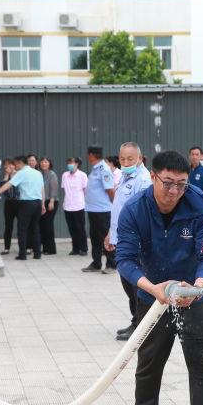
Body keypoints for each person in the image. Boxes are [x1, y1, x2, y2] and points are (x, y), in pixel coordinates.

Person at [115, 150, 203, 405]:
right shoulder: (134, 209)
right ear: (153, 176)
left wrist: (198, 285)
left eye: (181, 184)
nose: (174, 191)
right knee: (148, 362)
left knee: (199, 364)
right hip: (153, 298)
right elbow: (125, 260)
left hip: (194, 297)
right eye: (168, 183)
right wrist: (153, 289)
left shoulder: (199, 205)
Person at [104, 142, 152, 341]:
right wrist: (111, 234)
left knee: (136, 285)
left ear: (139, 158)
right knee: (128, 284)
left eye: (130, 159)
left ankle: (142, 326)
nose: (125, 162)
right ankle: (136, 320)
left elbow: (142, 213)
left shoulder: (143, 180)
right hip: (122, 239)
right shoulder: (124, 177)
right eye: (122, 159)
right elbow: (118, 210)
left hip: (135, 242)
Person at [0, 156, 45, 260]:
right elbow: (42, 189)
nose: (15, 166)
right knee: (35, 229)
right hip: (37, 203)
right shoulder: (38, 173)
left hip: (26, 203)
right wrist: (42, 204)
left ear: (20, 163)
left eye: (15, 164)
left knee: (22, 230)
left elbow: (8, 185)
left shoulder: (21, 173)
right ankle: (37, 254)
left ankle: (22, 254)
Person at [83, 145, 117, 273]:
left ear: (92, 155)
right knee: (95, 238)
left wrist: (115, 206)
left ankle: (111, 264)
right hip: (93, 210)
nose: (87, 157)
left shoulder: (104, 169)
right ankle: (96, 263)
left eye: (88, 154)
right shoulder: (96, 169)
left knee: (106, 237)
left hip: (103, 210)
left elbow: (110, 189)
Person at [61, 157, 88, 256]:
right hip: (68, 205)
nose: (70, 165)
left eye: (72, 163)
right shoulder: (65, 175)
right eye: (68, 163)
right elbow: (65, 189)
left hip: (79, 205)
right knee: (71, 228)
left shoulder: (82, 175)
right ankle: (75, 248)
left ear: (77, 164)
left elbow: (86, 191)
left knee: (80, 228)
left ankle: (83, 248)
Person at [39, 157, 59, 255]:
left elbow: (54, 189)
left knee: (48, 225)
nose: (43, 163)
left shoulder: (52, 174)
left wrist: (51, 201)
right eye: (42, 162)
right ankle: (45, 248)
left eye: (46, 162)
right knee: (42, 226)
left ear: (49, 163)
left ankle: (51, 249)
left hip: (51, 201)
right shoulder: (40, 174)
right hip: (42, 202)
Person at [0, 158, 20, 255]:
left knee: (21, 226)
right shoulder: (6, 176)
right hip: (8, 203)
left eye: (10, 164)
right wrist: (6, 176)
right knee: (8, 226)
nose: (8, 167)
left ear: (14, 165)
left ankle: (26, 247)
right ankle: (6, 248)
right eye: (6, 165)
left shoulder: (19, 174)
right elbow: (3, 190)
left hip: (19, 203)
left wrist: (11, 176)